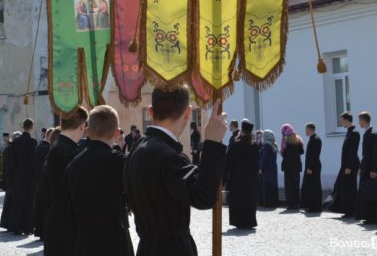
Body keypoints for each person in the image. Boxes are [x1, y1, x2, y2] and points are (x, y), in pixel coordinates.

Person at [124, 87, 226, 255]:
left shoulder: (137, 148)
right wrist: (213, 143)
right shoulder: (168, 156)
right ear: (188, 112)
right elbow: (203, 196)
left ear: (151, 111)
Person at [67, 105, 134, 256]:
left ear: (87, 131)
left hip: (84, 243)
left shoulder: (74, 163)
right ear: (116, 133)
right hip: (114, 242)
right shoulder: (119, 162)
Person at [42, 107, 88, 256]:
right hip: (67, 227)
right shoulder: (67, 152)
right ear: (82, 126)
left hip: (58, 222)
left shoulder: (59, 149)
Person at [3, 119, 37, 234]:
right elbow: (33, 160)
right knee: (28, 201)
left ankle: (16, 226)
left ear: (23, 126)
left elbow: (12, 159)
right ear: (31, 127)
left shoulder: (16, 141)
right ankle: (27, 227)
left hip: (17, 174)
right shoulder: (32, 142)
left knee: (18, 201)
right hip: (29, 175)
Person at [226, 119, 259, 229]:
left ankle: (239, 221)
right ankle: (250, 221)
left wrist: (224, 177)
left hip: (237, 178)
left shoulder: (236, 145)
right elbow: (256, 163)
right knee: (249, 200)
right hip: (251, 179)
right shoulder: (254, 146)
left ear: (242, 131)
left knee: (238, 200)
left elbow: (228, 162)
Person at [329, 112, 360, 217]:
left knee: (349, 188)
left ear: (347, 120)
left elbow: (353, 151)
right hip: (345, 165)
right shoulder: (349, 132)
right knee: (342, 187)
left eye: (342, 121)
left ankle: (351, 210)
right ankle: (346, 209)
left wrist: (349, 167)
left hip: (350, 166)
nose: (341, 123)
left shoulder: (355, 133)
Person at [356, 112, 377, 223]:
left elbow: (374, 154)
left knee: (370, 193)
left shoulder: (373, 134)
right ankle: (366, 216)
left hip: (370, 169)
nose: (359, 123)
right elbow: (364, 154)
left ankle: (371, 217)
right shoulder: (366, 134)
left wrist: (373, 169)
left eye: (360, 120)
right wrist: (360, 167)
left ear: (364, 120)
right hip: (365, 167)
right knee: (364, 193)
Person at [33, 127, 53, 240]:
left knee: (40, 208)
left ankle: (40, 230)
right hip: (44, 182)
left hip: (38, 181)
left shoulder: (39, 147)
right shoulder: (47, 148)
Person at [280, 124, 304, 210]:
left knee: (288, 185)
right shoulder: (298, 139)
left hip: (287, 166)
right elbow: (302, 151)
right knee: (296, 185)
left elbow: (283, 153)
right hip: (297, 165)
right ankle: (297, 203)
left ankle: (290, 204)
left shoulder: (284, 140)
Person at [300, 123, 322, 212]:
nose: (305, 131)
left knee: (314, 187)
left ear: (310, 129)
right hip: (310, 166)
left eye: (306, 129)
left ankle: (315, 207)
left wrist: (310, 167)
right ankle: (310, 206)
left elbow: (315, 155)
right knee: (309, 187)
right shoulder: (312, 139)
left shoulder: (316, 139)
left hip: (313, 167)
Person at [259, 130, 279, 207]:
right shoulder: (274, 144)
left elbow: (264, 158)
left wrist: (260, 168)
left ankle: (268, 203)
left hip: (266, 168)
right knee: (272, 185)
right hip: (273, 168)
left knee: (266, 185)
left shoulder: (267, 145)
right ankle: (274, 202)